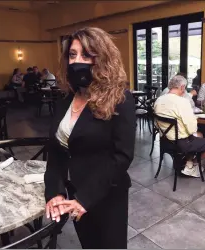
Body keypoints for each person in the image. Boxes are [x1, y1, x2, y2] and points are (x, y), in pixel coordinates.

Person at [44, 27, 136, 249]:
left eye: (86, 55)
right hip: (73, 192)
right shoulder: (66, 99)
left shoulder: (120, 99)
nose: (78, 61)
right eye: (73, 55)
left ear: (102, 59)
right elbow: (57, 150)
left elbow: (122, 157)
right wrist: (55, 191)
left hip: (107, 194)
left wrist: (86, 198)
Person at [154, 75, 205, 177]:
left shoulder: (159, 100)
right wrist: (193, 119)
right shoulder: (182, 102)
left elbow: (156, 123)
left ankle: (187, 162)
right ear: (182, 87)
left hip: (164, 140)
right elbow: (192, 129)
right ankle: (192, 165)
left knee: (200, 135)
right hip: (181, 142)